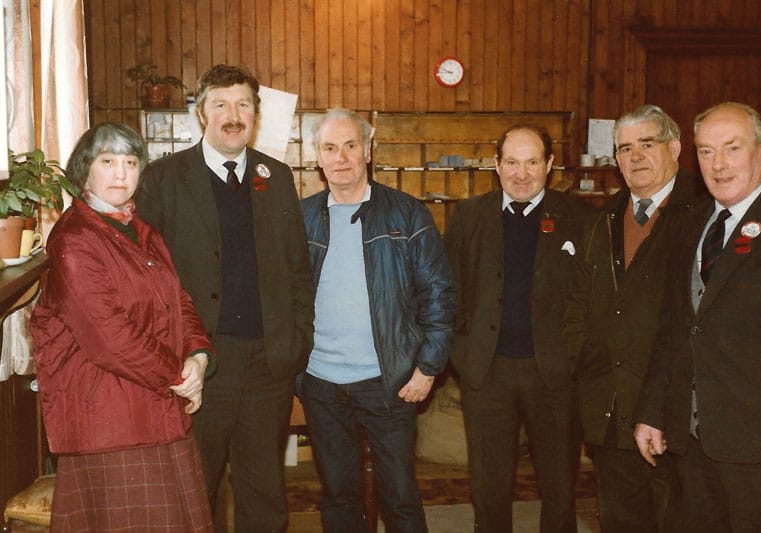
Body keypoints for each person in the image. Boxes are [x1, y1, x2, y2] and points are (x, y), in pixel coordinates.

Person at [136, 64, 315, 532]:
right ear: (201, 114)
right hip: (200, 365)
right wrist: (172, 353)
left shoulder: (276, 176)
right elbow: (145, 278)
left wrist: (295, 341)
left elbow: (298, 269)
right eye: (220, 104)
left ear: (256, 113)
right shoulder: (164, 178)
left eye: (243, 105)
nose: (233, 116)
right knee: (197, 492)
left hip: (268, 365)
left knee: (265, 492)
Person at [31, 122, 214, 532]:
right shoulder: (75, 238)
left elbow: (178, 300)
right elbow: (109, 338)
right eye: (108, 161)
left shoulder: (141, 230)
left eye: (130, 162)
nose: (120, 173)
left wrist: (199, 358)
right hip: (109, 424)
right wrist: (178, 377)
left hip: (155, 406)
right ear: (85, 170)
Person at [633, 102, 761, 532]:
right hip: (691, 449)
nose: (718, 164)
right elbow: (674, 329)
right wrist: (652, 410)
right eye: (706, 152)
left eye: (732, 148)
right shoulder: (692, 225)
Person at [299, 108, 455, 532]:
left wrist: (428, 368)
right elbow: (284, 298)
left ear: (367, 150)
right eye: (330, 148)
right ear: (318, 156)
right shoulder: (301, 217)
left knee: (400, 497)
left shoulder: (407, 213)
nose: (341, 157)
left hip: (389, 382)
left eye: (350, 145)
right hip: (322, 383)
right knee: (339, 497)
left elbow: (439, 295)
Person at [564, 104, 703, 532]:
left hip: (676, 417)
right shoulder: (604, 218)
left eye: (647, 144)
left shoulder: (702, 213)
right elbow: (578, 304)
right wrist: (583, 368)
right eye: (625, 148)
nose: (635, 156)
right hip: (610, 410)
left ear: (674, 148)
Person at [444, 124, 584, 533]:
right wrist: (463, 355)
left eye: (532, 162)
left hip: (554, 375)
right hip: (488, 373)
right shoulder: (469, 216)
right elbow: (449, 290)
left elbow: (588, 299)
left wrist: (571, 358)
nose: (522, 174)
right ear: (496, 164)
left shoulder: (578, 218)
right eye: (511, 162)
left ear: (550, 164)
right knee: (488, 487)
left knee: (560, 487)